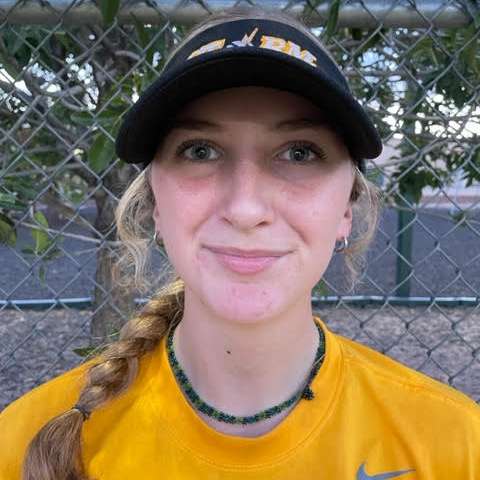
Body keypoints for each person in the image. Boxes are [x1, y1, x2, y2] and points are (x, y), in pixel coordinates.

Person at [1, 6, 479, 480]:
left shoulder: (455, 446)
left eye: (300, 153)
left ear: (346, 209)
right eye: (200, 151)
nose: (246, 208)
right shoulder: (23, 444)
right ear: (155, 204)